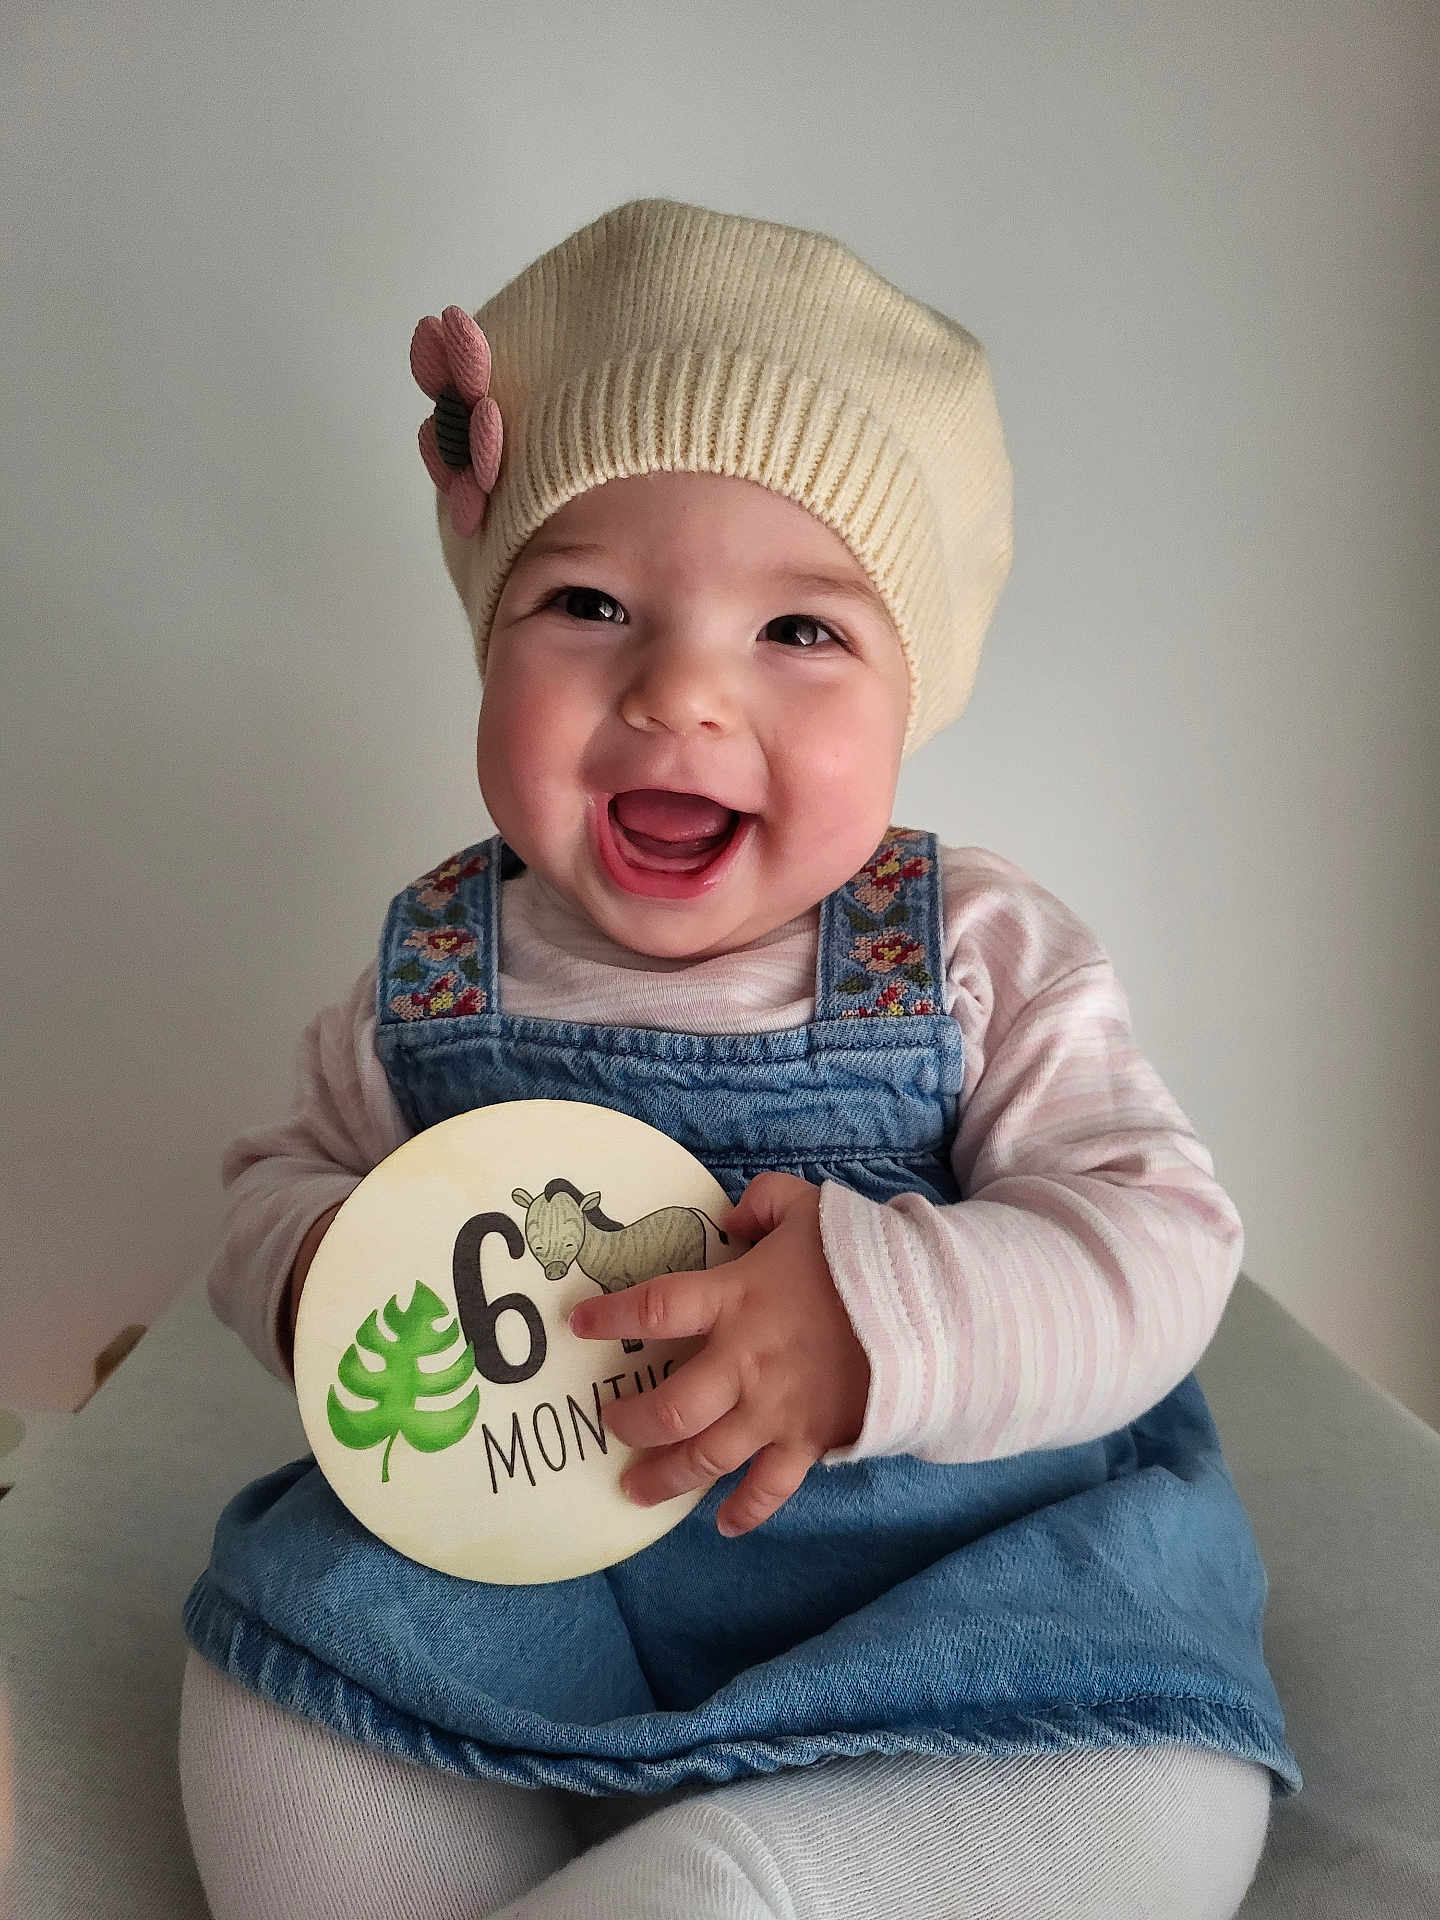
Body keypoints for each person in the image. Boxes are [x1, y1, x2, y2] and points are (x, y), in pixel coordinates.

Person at [176, 196, 1299, 1919]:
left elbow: (1161, 1240)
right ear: (486, 639)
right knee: (282, 1699)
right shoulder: (435, 961)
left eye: (799, 631)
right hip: (542, 1585)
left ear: (910, 695)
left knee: (1163, 1799)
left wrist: (878, 1320)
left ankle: (742, 1880)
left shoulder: (972, 953)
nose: (681, 690)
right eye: (586, 601)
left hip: (955, 1591)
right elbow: (275, 1181)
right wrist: (335, 1267)